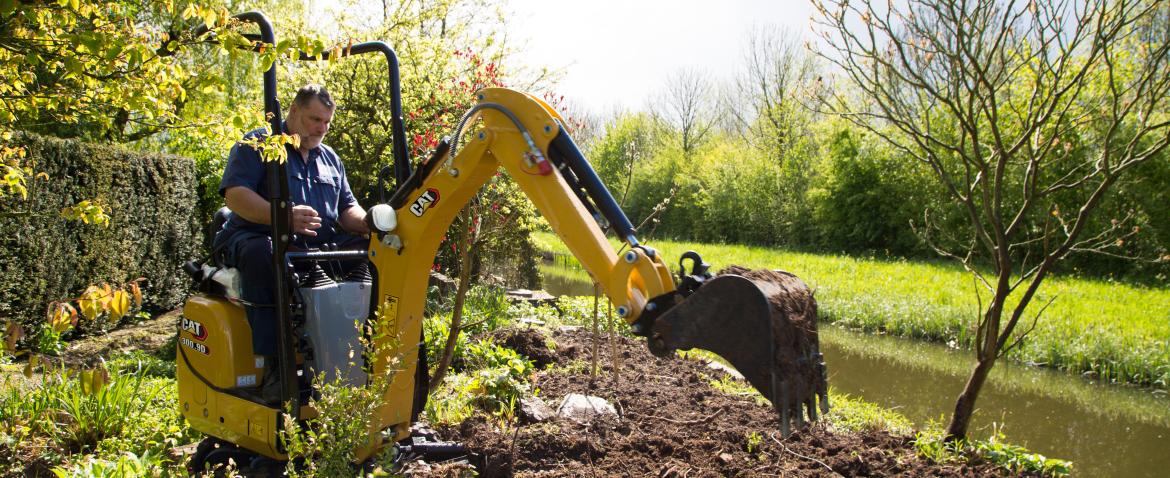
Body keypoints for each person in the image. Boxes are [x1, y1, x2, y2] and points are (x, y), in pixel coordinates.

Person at [213, 84, 370, 387]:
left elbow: (346, 209)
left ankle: (356, 352)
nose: (322, 128)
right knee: (263, 255)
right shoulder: (260, 144)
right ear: (294, 111)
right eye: (315, 120)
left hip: (314, 246)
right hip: (257, 236)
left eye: (327, 122)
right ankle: (275, 364)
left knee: (371, 253)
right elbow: (235, 195)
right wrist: (282, 218)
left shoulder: (330, 159)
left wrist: (371, 222)